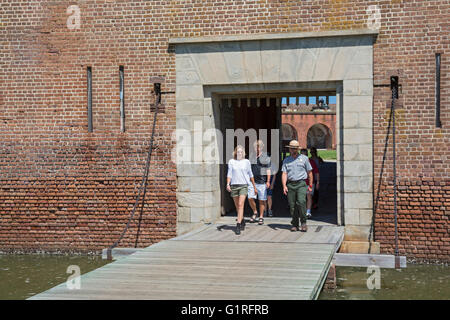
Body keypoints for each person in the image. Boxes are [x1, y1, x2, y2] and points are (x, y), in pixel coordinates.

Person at [281, 140, 313, 232]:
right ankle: (295, 224)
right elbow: (284, 173)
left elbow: (310, 172)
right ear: (289, 149)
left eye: (294, 148)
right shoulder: (286, 160)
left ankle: (303, 222)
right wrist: (284, 186)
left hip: (301, 184)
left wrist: (310, 185)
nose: (293, 150)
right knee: (292, 205)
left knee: (301, 201)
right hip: (290, 184)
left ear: (297, 149)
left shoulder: (304, 158)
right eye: (291, 148)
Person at [227, 145, 257, 235]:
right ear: (235, 152)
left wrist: (254, 187)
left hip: (244, 185)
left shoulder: (246, 162)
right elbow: (229, 174)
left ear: (243, 153)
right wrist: (228, 184)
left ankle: (238, 225)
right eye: (238, 151)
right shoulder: (231, 161)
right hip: (234, 186)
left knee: (240, 205)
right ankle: (242, 219)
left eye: (241, 152)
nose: (239, 153)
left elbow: (251, 174)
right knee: (237, 206)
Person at [248, 140, 271, 225]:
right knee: (250, 198)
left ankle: (261, 216)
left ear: (262, 147)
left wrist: (268, 181)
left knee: (262, 200)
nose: (257, 148)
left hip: (262, 181)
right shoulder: (251, 156)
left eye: (258, 147)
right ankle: (255, 212)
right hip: (252, 181)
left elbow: (268, 170)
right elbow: (249, 169)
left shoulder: (266, 157)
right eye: (255, 147)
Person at [300, 148, 319, 218]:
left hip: (309, 183)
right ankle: (302, 211)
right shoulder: (297, 161)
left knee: (309, 197)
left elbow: (316, 172)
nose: (302, 156)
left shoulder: (311, 162)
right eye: (301, 154)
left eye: (304, 154)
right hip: (300, 183)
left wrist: (317, 182)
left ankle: (308, 212)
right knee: (301, 198)